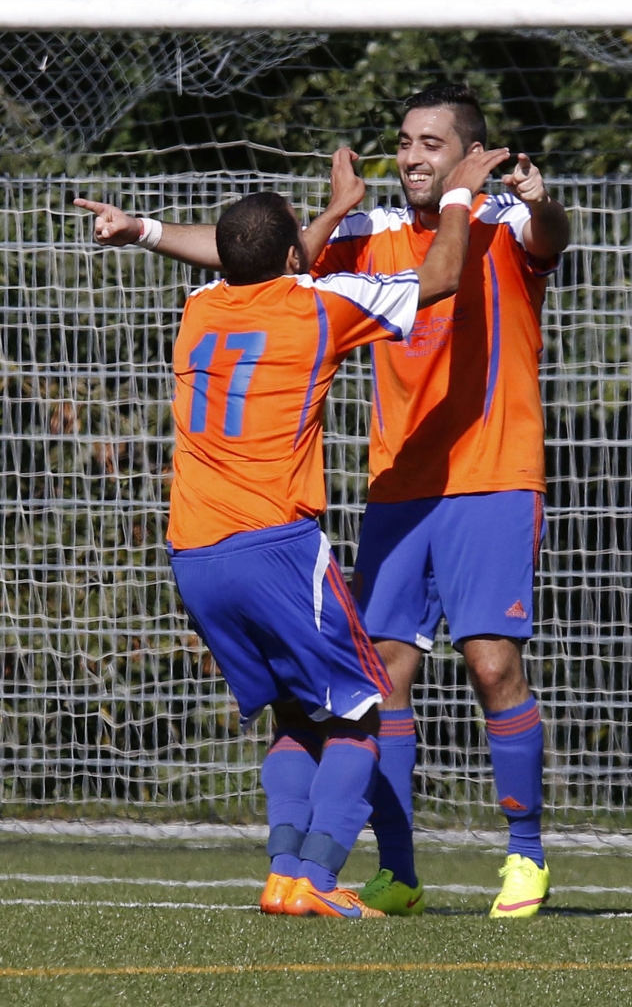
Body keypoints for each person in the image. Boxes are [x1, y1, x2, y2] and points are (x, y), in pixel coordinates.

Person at [78, 84, 572, 920]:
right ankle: (399, 871)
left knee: (491, 664)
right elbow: (257, 259)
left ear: (468, 153)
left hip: (493, 474)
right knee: (384, 679)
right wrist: (148, 229)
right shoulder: (369, 236)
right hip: (398, 486)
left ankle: (525, 856)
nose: (411, 155)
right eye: (404, 141)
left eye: (430, 142)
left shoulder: (502, 221)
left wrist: (542, 200)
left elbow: (552, 238)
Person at [134, 145, 506, 918]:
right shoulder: (318, 307)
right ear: (292, 254)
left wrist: (334, 211)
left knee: (298, 714)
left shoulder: (200, 307)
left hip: (193, 550)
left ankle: (281, 873)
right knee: (364, 709)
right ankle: (322, 875)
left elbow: (268, 255)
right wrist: (463, 197)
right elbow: (437, 278)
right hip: (274, 542)